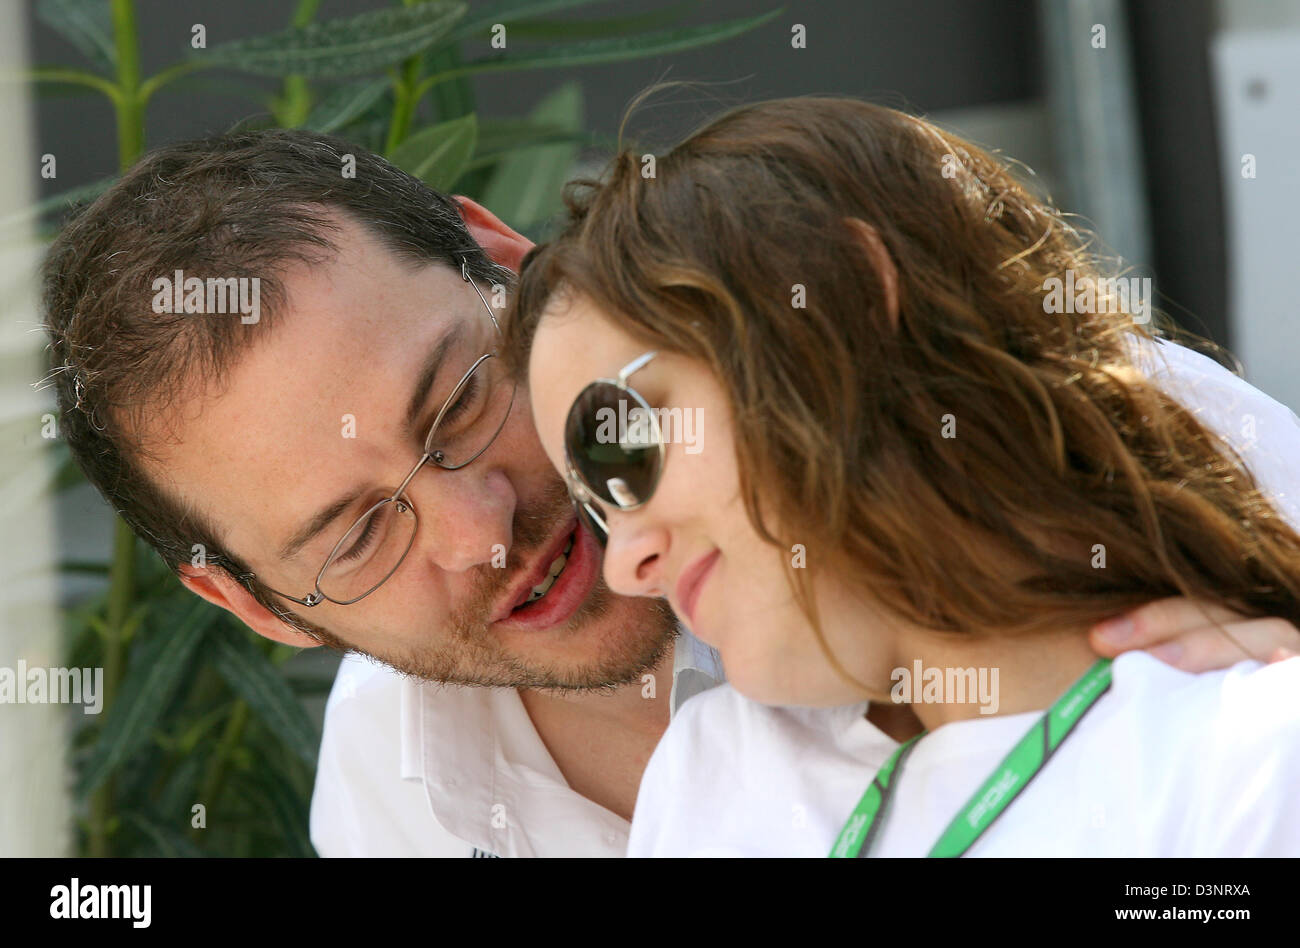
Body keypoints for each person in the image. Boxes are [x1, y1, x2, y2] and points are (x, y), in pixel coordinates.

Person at [41, 123, 1299, 857]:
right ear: (263, 609)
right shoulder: (399, 798)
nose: (481, 530)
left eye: (463, 400)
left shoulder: (1037, 417)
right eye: (364, 532)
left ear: (504, 264)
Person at [504, 95, 1300, 856]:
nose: (624, 563)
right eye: (594, 504)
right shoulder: (718, 779)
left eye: (618, 444)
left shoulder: (1248, 755)